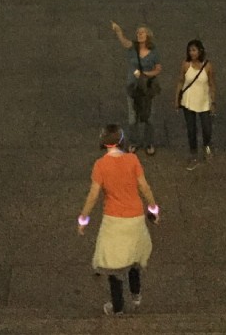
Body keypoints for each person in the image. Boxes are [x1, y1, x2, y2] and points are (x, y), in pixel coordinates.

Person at [77, 124, 160, 317]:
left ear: (104, 143)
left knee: (113, 265)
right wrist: (154, 208)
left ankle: (117, 306)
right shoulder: (132, 160)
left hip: (113, 219)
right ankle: (136, 294)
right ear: (122, 141)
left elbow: (93, 196)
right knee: (133, 258)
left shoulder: (100, 165)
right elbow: (144, 187)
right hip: (135, 216)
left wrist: (83, 219)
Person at [110, 22, 161, 156]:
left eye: (142, 32)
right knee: (133, 118)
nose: (139, 34)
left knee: (149, 117)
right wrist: (118, 31)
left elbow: (158, 69)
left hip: (147, 88)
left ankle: (149, 142)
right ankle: (133, 142)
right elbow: (125, 42)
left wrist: (146, 74)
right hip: (133, 87)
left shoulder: (154, 51)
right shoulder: (133, 47)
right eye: (138, 33)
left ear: (148, 35)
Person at [174, 39, 216, 170]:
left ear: (200, 51)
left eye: (194, 50)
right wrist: (176, 99)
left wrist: (213, 101)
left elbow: (212, 84)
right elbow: (181, 81)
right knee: (191, 129)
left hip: (204, 101)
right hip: (189, 100)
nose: (192, 53)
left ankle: (206, 145)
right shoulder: (186, 65)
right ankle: (193, 154)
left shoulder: (208, 66)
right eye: (190, 50)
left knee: (206, 127)